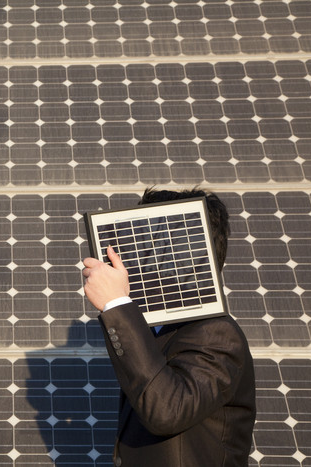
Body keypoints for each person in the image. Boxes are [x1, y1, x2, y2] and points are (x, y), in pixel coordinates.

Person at [82, 187, 256, 467]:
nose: (136, 251)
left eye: (147, 237)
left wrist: (116, 304)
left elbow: (166, 410)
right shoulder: (155, 328)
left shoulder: (217, 334)